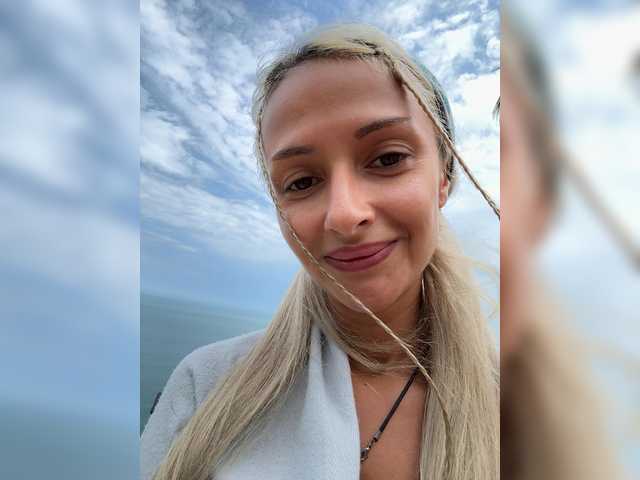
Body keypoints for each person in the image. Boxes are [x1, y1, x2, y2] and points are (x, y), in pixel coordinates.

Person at [141, 23, 499, 480]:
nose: (344, 215)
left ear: (443, 178)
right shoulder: (205, 390)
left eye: (388, 158)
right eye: (302, 182)